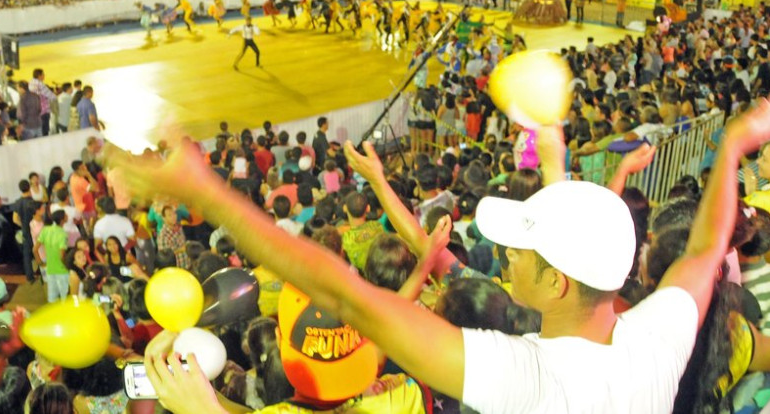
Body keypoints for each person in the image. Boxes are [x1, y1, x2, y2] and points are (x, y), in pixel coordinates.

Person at [112, 97, 770, 414]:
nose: (504, 258)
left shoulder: (533, 380)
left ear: (558, 282)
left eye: (519, 251)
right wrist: (735, 144)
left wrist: (208, 193)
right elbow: (707, 248)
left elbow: (346, 298)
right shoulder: (656, 339)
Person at [35, 210, 70, 303]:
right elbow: (62, 255)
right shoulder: (63, 234)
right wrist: (67, 265)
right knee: (65, 296)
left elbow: (34, 249)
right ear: (62, 220)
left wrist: (40, 263)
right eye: (65, 215)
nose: (67, 216)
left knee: (52, 297)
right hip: (62, 269)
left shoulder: (45, 230)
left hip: (49, 268)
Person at [29, 68, 57, 136]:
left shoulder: (31, 82)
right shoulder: (40, 84)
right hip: (43, 111)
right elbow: (52, 96)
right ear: (39, 75)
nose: (44, 76)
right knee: (45, 131)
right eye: (43, 74)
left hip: (34, 111)